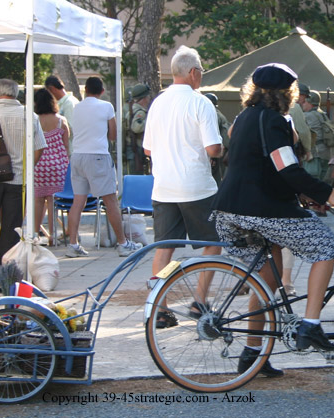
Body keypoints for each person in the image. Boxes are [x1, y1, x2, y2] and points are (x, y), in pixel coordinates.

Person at [212, 62, 334, 377]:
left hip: (228, 211)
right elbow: (287, 168)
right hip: (261, 210)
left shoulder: (243, 117)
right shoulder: (274, 121)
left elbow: (261, 166)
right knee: (326, 247)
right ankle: (311, 325)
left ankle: (252, 354)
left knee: (266, 279)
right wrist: (327, 193)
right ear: (288, 93)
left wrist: (302, 195)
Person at [142, 45, 224, 329]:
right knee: (213, 243)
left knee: (164, 248)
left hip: (163, 186)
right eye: (200, 71)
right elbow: (213, 149)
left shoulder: (157, 103)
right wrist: (221, 149)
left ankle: (160, 308)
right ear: (193, 72)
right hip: (196, 186)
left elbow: (147, 149)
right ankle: (199, 301)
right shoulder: (201, 102)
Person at [0, 79, 48, 279]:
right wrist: (27, 167)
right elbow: (39, 147)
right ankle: (2, 269)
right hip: (18, 180)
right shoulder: (29, 115)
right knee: (11, 226)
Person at [66, 76, 142, 258]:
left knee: (78, 202)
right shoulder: (106, 106)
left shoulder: (77, 107)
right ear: (102, 91)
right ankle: (123, 243)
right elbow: (113, 134)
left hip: (77, 155)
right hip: (98, 156)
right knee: (110, 201)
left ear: (86, 90)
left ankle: (73, 244)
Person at [33, 88, 70, 246]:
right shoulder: (61, 121)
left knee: (38, 200)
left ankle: (35, 234)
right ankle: (53, 235)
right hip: (58, 165)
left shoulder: (34, 120)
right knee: (53, 201)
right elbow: (66, 145)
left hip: (39, 164)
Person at [45, 75, 79, 155]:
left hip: (70, 150)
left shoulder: (69, 103)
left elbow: (71, 127)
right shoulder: (63, 103)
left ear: (52, 89)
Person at [204, 92, 230, 184]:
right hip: (222, 152)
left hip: (216, 153)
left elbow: (212, 136)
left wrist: (212, 157)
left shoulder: (213, 115)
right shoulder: (219, 114)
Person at [125, 83, 152, 174]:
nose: (149, 99)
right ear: (143, 98)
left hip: (134, 149)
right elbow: (136, 128)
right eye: (147, 97)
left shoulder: (133, 109)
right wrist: (149, 123)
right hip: (137, 149)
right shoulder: (140, 112)